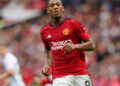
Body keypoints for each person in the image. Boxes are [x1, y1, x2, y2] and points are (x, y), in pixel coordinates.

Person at [40, 0, 95, 86]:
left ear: (62, 9)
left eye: (58, 5)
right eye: (52, 5)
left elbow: (92, 45)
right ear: (48, 10)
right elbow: (47, 49)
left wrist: (74, 47)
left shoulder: (74, 24)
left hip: (79, 73)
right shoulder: (44, 31)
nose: (55, 7)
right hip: (60, 76)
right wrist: (46, 65)